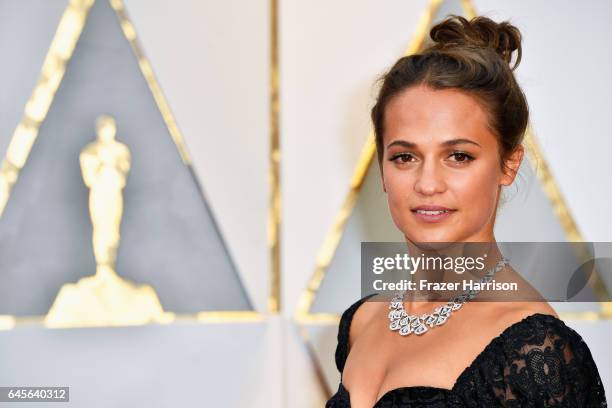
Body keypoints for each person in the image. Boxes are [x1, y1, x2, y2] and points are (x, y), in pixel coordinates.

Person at [325, 15, 607, 408]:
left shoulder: (534, 350)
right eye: (405, 156)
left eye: (458, 156)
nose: (427, 183)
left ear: (508, 165)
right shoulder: (361, 322)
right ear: (383, 169)